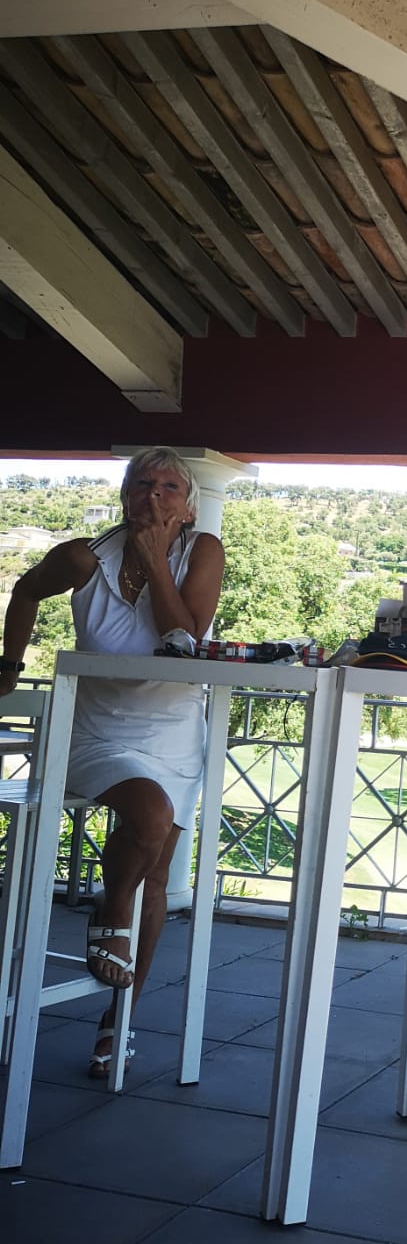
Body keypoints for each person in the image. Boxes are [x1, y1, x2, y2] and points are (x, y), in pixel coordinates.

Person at [0, 447, 224, 1077]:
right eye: (142, 483)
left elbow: (184, 639)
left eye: (170, 487)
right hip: (94, 729)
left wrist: (155, 562)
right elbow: (25, 590)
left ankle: (118, 1018)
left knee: (158, 874)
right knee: (148, 817)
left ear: (189, 506)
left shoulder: (202, 551)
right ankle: (111, 906)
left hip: (173, 730)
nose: (155, 494)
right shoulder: (84, 558)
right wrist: (9, 664)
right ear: (124, 496)